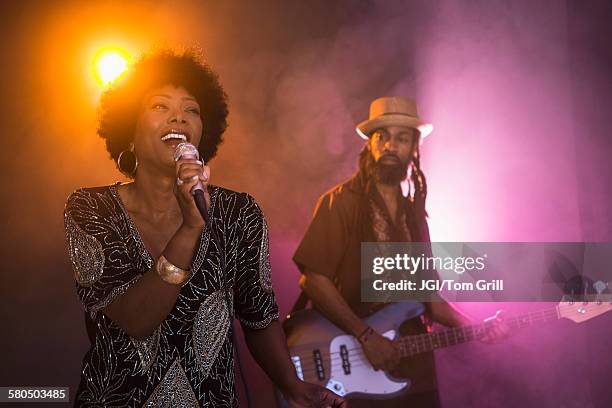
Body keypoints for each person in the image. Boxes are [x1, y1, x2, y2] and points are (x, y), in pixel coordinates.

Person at [64, 48, 345, 408]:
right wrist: (190, 229)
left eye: (191, 110)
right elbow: (134, 321)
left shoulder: (238, 213)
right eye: (160, 106)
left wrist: (292, 385)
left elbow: (258, 318)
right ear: (128, 131)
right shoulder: (91, 208)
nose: (178, 118)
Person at [293, 96, 507, 407]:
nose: (391, 145)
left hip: (415, 370)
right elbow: (313, 280)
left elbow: (428, 299)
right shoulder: (341, 202)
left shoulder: (414, 215)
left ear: (414, 148)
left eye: (402, 138)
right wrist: (366, 337)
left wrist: (474, 327)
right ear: (371, 145)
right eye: (383, 136)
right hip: (355, 367)